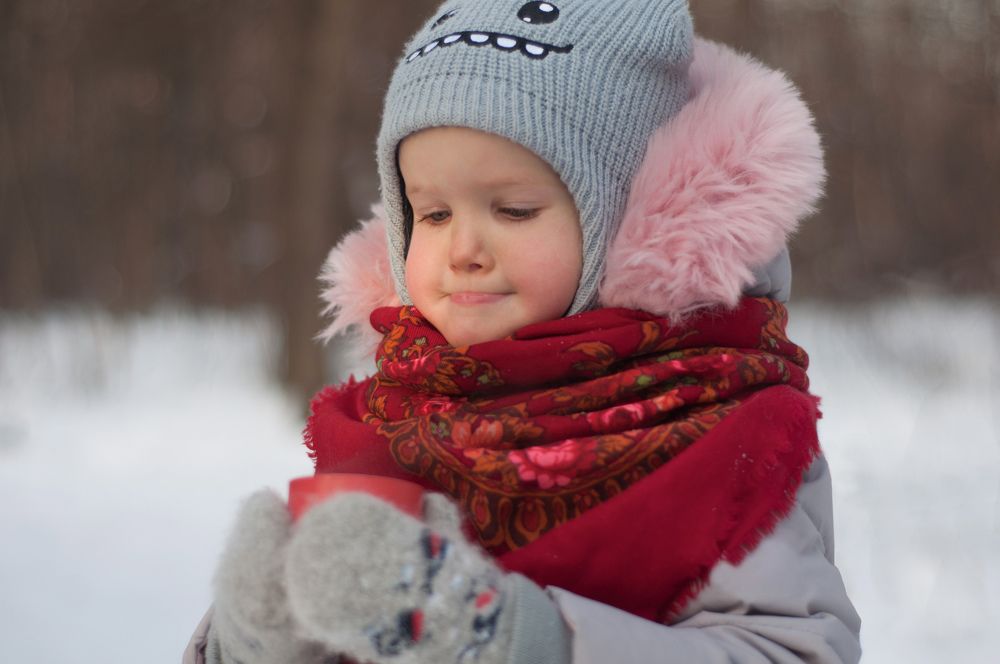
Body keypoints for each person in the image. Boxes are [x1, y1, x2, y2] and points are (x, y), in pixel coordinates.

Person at [185, 1, 861, 662]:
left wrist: (514, 640)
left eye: (511, 209)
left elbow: (790, 649)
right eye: (434, 213)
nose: (463, 249)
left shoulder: (717, 424)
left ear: (625, 214)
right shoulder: (401, 414)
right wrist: (253, 642)